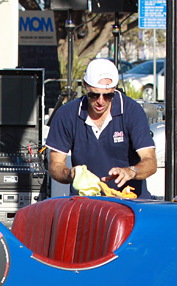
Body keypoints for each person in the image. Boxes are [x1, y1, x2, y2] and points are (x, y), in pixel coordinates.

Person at [46, 58, 158, 198]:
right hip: (87, 202)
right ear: (85, 86)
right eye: (94, 95)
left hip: (130, 202)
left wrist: (131, 171)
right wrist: (70, 174)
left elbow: (150, 161)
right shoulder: (67, 114)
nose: (100, 101)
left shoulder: (132, 111)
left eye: (108, 95)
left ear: (115, 89)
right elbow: (55, 164)